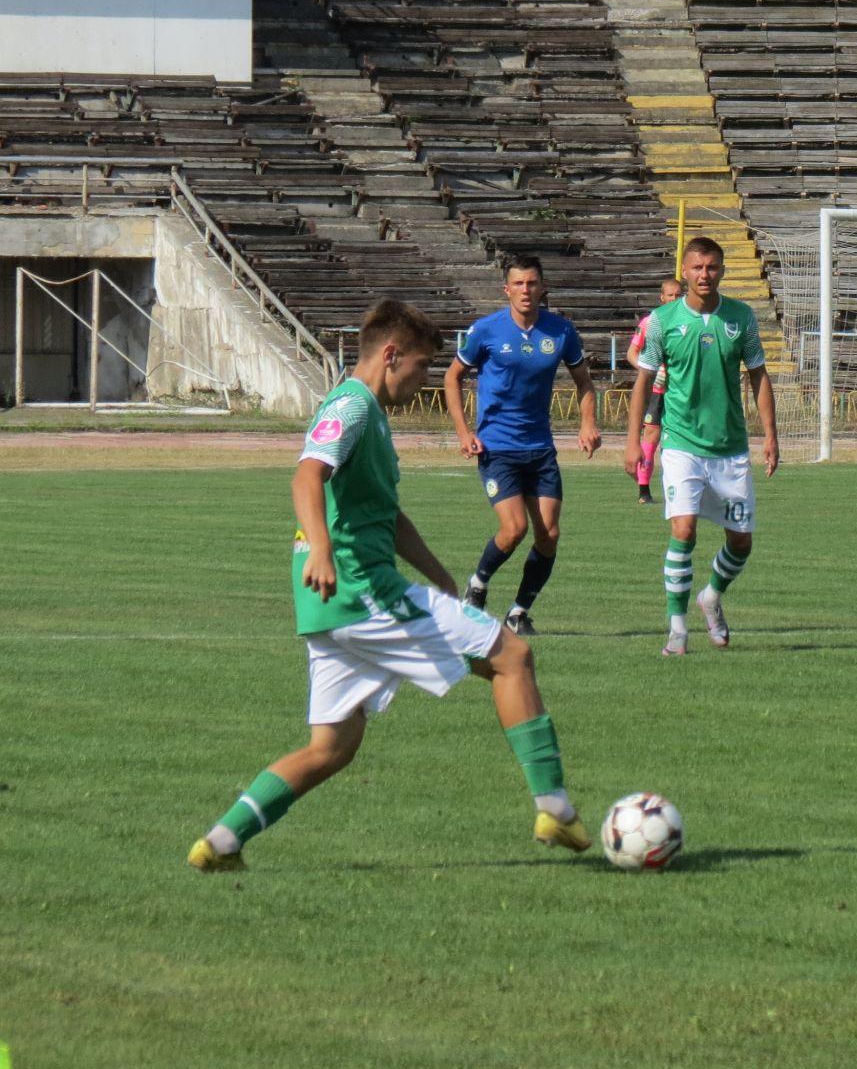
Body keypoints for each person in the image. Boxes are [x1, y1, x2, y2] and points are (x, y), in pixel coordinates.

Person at [188, 298, 591, 871]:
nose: (425, 379)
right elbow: (306, 475)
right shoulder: (351, 407)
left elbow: (386, 515)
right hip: (360, 589)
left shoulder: (369, 414)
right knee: (512, 655)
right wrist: (322, 547)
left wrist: (440, 574)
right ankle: (555, 807)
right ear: (391, 355)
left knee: (332, 748)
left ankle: (221, 843)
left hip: (329, 607)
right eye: (423, 366)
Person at [624, 236, 779, 656]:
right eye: (696, 267)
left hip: (730, 446)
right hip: (681, 443)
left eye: (711, 267)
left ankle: (711, 596)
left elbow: (759, 376)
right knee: (684, 529)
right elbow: (642, 384)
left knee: (741, 542)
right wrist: (634, 441)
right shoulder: (661, 321)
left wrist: (770, 434)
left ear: (722, 270)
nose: (704, 275)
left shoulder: (742, 318)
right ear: (685, 271)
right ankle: (677, 628)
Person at [445, 256, 601, 636]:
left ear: (542, 287)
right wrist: (465, 432)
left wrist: (588, 423)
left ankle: (518, 613)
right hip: (497, 447)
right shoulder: (487, 331)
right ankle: (478, 584)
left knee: (548, 534)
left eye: (532, 283)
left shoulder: (561, 331)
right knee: (513, 529)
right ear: (507, 289)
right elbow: (453, 378)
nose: (526, 290)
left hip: (540, 447)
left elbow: (584, 382)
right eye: (518, 284)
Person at [626, 278, 684, 504]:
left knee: (680, 436)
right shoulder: (651, 322)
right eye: (670, 295)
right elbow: (632, 352)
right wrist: (647, 370)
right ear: (662, 297)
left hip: (682, 390)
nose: (674, 299)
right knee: (652, 434)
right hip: (657, 390)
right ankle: (644, 489)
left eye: (678, 295)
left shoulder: (690, 320)